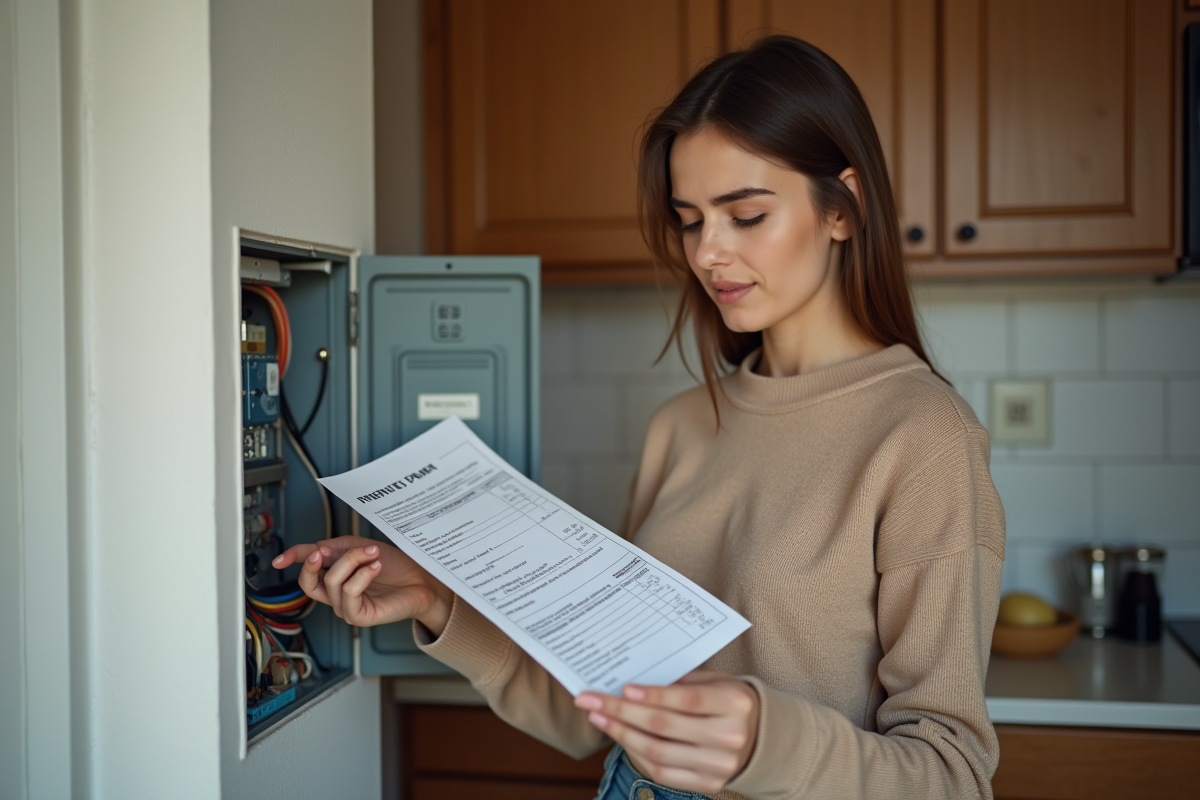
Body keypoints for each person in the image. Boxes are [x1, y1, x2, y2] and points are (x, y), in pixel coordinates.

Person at [273, 35, 1005, 800]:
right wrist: (434, 597)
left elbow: (950, 775)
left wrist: (766, 741)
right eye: (690, 220)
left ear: (843, 209)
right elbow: (599, 707)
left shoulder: (923, 437)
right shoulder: (682, 428)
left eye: (746, 215)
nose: (708, 254)